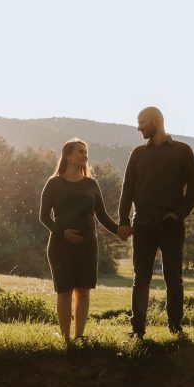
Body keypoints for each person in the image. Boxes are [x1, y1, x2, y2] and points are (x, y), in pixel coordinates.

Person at [117, 106, 194, 339]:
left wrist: (179, 213)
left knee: (173, 278)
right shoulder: (137, 153)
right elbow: (127, 191)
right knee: (140, 277)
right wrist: (123, 220)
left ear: (156, 120)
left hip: (171, 225)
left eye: (142, 122)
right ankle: (137, 330)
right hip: (142, 224)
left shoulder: (183, 151)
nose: (139, 127)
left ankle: (175, 327)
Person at [39, 138, 121, 343]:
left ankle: (79, 337)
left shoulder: (91, 184)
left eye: (86, 152)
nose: (85, 155)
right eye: (80, 152)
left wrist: (120, 230)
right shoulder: (54, 183)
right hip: (60, 246)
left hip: (87, 246)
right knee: (65, 291)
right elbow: (44, 217)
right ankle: (66, 339)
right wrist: (62, 232)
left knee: (83, 290)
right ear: (67, 155)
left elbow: (102, 216)